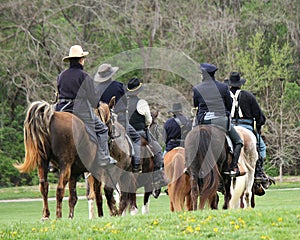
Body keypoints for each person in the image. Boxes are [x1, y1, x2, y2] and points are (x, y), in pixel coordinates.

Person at [55, 45, 117, 171]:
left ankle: (52, 163)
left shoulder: (61, 76)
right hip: (79, 109)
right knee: (102, 129)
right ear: (81, 59)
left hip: (61, 108)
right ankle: (103, 157)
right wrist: (96, 105)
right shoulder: (84, 76)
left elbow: (58, 92)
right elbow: (93, 100)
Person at [193, 63, 245, 177]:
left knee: (190, 141)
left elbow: (195, 104)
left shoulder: (197, 89)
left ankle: (189, 166)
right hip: (220, 121)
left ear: (203, 75)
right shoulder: (223, 87)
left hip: (204, 121)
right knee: (238, 142)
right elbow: (229, 104)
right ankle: (233, 167)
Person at [94, 63, 142, 173]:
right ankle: (136, 164)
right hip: (120, 118)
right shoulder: (119, 86)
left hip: (103, 120)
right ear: (111, 74)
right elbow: (126, 102)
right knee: (136, 138)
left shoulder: (96, 89)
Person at [224, 72, 268, 182]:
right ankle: (258, 170)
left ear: (229, 84)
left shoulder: (224, 96)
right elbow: (260, 117)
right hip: (246, 126)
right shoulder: (249, 96)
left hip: (230, 127)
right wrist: (258, 125)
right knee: (262, 147)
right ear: (240, 84)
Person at [126, 77, 166, 188]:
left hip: (126, 133)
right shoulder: (141, 102)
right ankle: (157, 179)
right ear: (138, 91)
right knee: (158, 151)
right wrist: (147, 125)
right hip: (140, 132)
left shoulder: (124, 102)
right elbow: (148, 119)